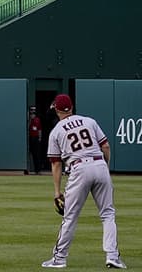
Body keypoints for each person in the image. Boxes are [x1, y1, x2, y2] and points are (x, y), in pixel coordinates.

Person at [42, 94, 126, 269]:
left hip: (78, 168)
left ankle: (59, 259)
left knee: (70, 217)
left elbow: (56, 163)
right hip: (99, 164)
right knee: (108, 214)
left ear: (56, 109)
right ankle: (112, 257)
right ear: (72, 107)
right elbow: (106, 146)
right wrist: (105, 168)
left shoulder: (57, 131)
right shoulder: (89, 121)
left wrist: (57, 191)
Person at [27, 106, 44, 175]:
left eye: (33, 113)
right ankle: (27, 169)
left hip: (35, 138)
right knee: (29, 153)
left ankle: (38, 170)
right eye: (31, 113)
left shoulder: (37, 119)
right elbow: (27, 127)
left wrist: (40, 138)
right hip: (29, 138)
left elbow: (39, 129)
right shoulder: (28, 120)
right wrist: (30, 120)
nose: (32, 114)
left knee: (36, 154)